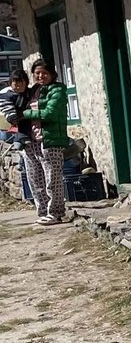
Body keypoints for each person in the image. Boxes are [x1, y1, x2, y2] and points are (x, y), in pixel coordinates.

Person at [20, 59, 69, 225]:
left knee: (52, 179)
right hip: (31, 141)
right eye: (37, 73)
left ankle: (55, 212)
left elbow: (50, 113)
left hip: (50, 140)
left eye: (44, 73)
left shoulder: (58, 90)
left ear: (52, 74)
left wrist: (25, 114)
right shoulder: (33, 90)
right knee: (35, 179)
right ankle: (42, 211)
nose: (40, 76)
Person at [0, 70, 29, 143]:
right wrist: (14, 118)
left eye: (21, 85)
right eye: (16, 85)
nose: (18, 87)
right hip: (14, 122)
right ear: (11, 83)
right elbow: (6, 107)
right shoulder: (6, 93)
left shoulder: (29, 92)